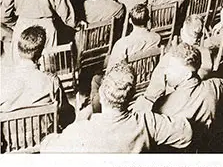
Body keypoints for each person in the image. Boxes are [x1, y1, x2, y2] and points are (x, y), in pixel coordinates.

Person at [41, 61, 192, 153]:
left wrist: (77, 123)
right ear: (132, 95)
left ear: (101, 92)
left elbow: (46, 148)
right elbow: (186, 134)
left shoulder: (79, 131)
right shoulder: (148, 122)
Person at [139, 42, 223, 137]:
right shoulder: (216, 86)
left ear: (187, 74)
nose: (166, 72)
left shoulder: (162, 106)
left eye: (172, 68)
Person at [0, 26, 75, 129]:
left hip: (10, 143)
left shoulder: (3, 78)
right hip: (46, 140)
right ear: (39, 54)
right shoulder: (51, 81)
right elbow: (67, 116)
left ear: (18, 49)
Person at [107, 4, 161, 69]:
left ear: (130, 21)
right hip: (148, 76)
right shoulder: (157, 38)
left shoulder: (122, 44)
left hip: (129, 77)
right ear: (148, 19)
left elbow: (112, 69)